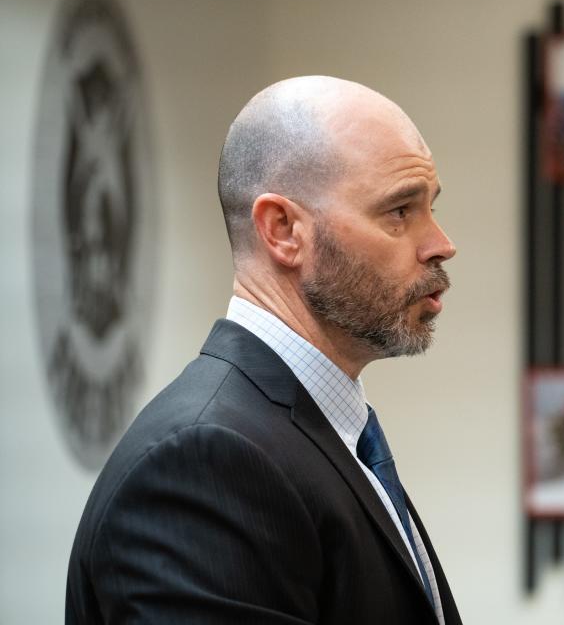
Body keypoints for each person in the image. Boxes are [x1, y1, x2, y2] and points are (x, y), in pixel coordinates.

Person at [66, 76, 462, 624]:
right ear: (282, 230)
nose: (441, 244)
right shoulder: (206, 463)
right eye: (399, 211)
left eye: (431, 208)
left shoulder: (323, 432)